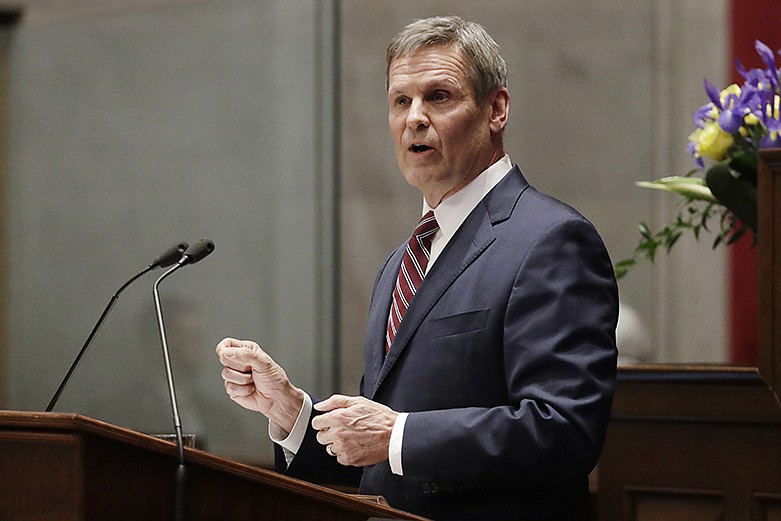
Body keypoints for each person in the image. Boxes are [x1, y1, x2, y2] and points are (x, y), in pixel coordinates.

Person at [216, 15, 618, 521]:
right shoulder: (401, 261)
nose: (415, 118)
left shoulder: (551, 240)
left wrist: (397, 435)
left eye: (440, 97)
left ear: (497, 109)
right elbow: (380, 466)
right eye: (401, 101)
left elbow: (565, 430)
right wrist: (293, 414)